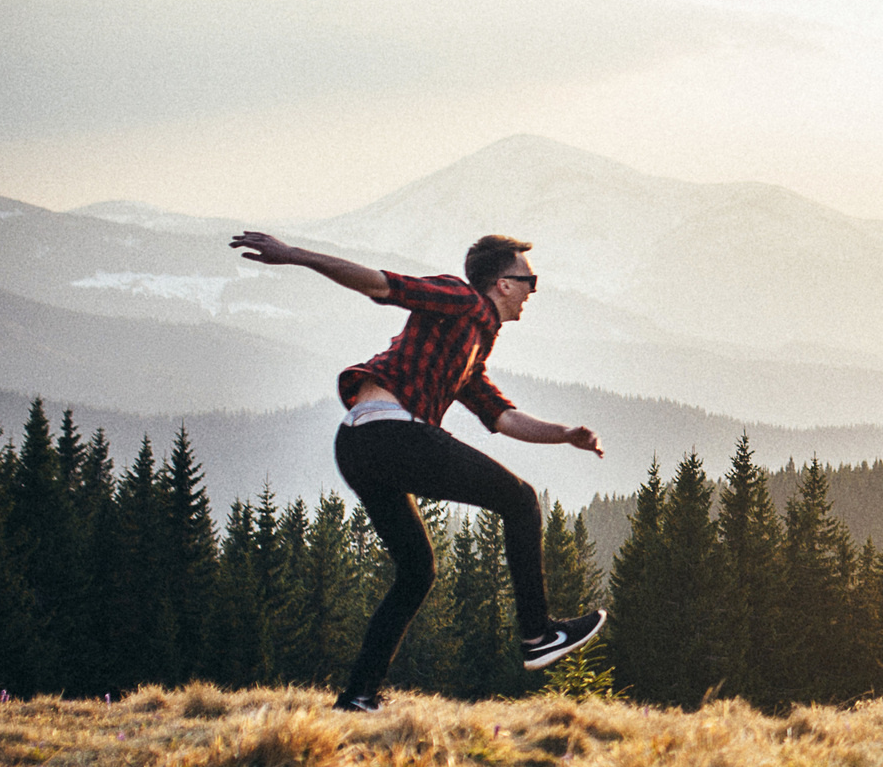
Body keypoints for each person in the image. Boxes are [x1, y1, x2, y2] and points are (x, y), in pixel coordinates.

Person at [228, 229, 609, 710]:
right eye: (529, 281)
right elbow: (384, 285)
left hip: (358, 444)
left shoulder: (473, 344)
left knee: (416, 571)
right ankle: (538, 634)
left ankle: (359, 696)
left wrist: (565, 433)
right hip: (392, 434)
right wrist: (295, 255)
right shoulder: (460, 298)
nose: (534, 291)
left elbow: (502, 417)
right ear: (502, 284)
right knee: (520, 500)